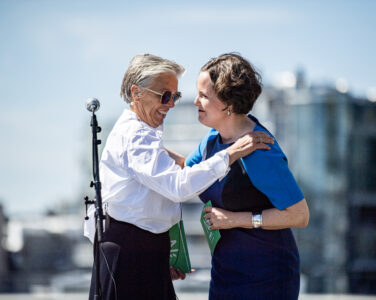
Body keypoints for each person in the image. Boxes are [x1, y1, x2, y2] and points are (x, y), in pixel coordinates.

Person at [83, 54, 274, 300]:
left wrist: (162, 256)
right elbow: (178, 187)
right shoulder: (136, 136)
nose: (171, 104)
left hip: (142, 252)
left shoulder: (143, 134)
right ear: (136, 93)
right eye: (164, 95)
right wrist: (231, 153)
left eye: (175, 96)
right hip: (130, 255)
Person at [185, 53, 310, 300]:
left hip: (267, 277)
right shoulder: (212, 140)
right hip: (225, 273)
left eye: (204, 96)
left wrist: (234, 219)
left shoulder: (260, 150)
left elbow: (299, 215)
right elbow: (184, 174)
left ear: (228, 105)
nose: (196, 102)